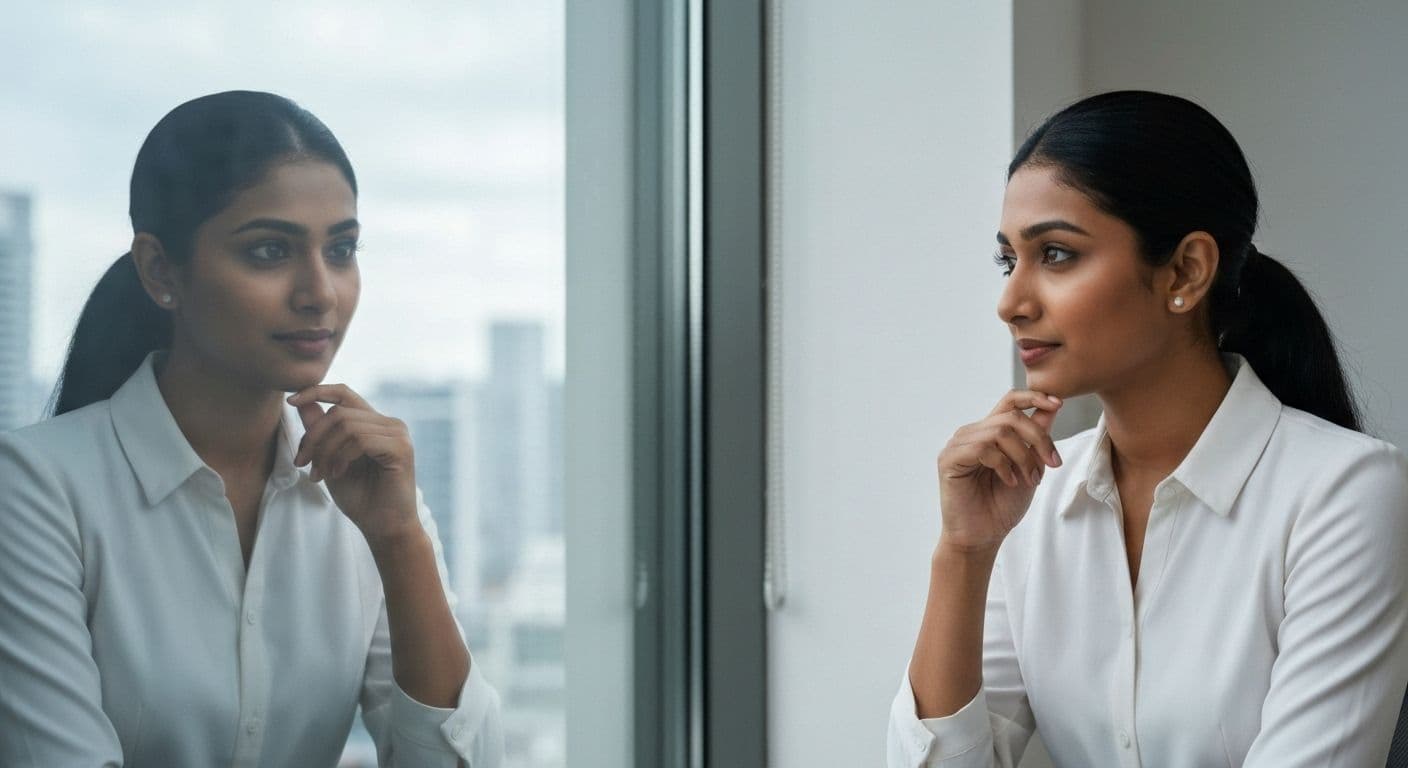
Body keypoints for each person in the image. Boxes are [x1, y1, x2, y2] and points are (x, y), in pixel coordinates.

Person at [887, 90, 1408, 767]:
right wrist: (964, 552)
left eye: (1056, 254)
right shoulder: (1034, 497)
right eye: (1008, 260)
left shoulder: (1345, 492)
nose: (1010, 303)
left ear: (1185, 271)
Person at [0, 91, 503, 767]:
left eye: (343, 249)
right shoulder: (33, 488)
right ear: (160, 270)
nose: (320, 292)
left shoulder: (369, 493)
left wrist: (400, 540)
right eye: (270, 251)